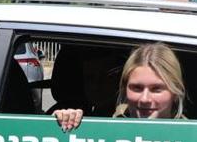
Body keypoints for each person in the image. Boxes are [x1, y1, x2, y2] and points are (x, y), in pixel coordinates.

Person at [53, 41, 187, 132]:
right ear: (124, 89)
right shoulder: (106, 126)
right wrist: (65, 123)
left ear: (175, 93)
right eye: (137, 88)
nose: (144, 99)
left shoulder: (193, 138)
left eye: (156, 89)